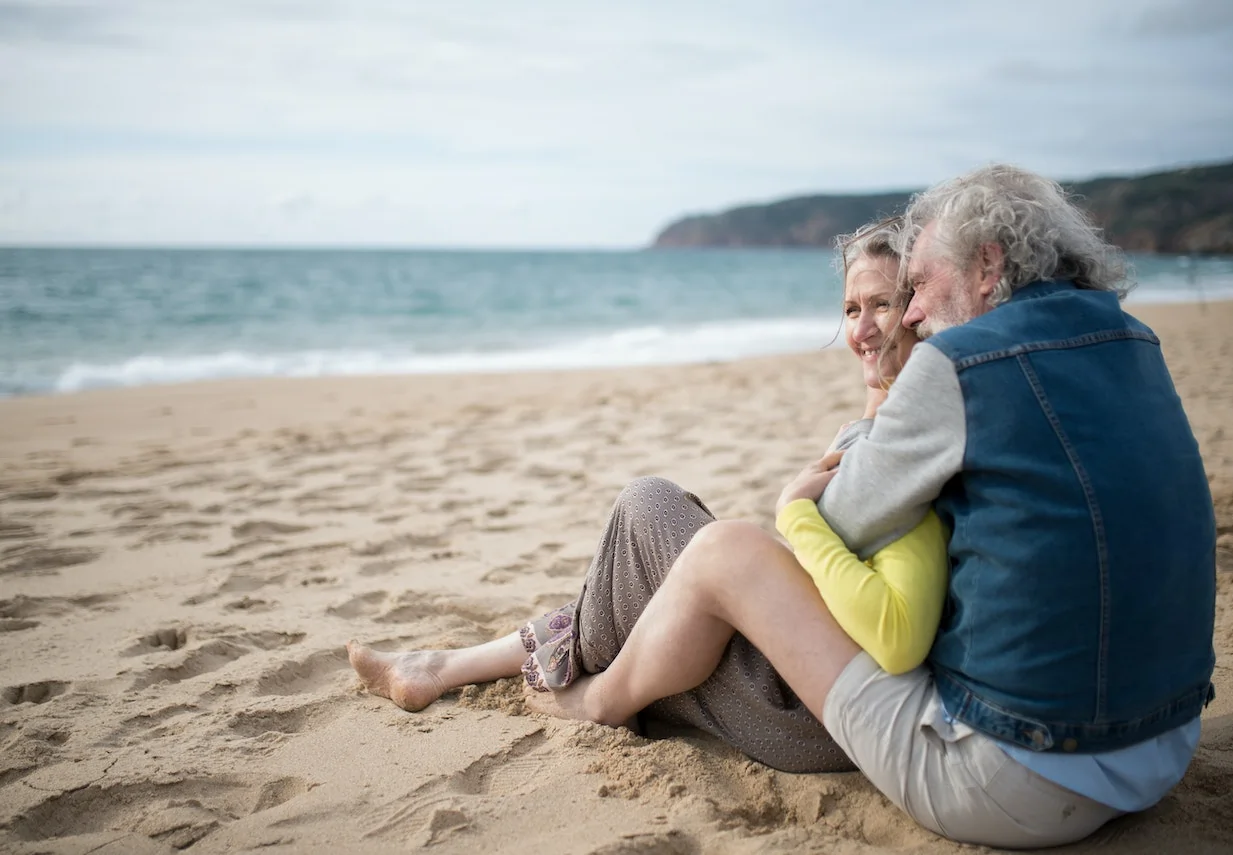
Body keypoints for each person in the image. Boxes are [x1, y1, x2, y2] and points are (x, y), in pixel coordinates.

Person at [507, 166, 1215, 849]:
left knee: (726, 550)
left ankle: (593, 697)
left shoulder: (963, 363)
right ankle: (550, 647)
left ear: (989, 266)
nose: (910, 312)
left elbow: (841, 517)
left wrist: (793, 504)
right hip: (1161, 748)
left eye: (920, 286)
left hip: (1020, 779)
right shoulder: (1135, 341)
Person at [347, 217, 949, 775]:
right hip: (796, 684)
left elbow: (875, 613)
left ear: (918, 310)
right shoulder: (878, 424)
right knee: (650, 565)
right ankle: (440, 668)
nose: (862, 329)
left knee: (648, 510)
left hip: (806, 710)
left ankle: (496, 676)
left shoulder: (899, 444)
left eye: (882, 305)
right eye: (850, 309)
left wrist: (793, 514)